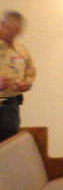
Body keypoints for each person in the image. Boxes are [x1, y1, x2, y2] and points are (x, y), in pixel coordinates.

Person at [0, 11, 36, 142]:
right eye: (11, 30)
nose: (14, 35)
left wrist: (27, 82)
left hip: (11, 107)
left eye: (17, 32)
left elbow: (30, 71)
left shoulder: (21, 50)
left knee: (8, 148)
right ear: (2, 25)